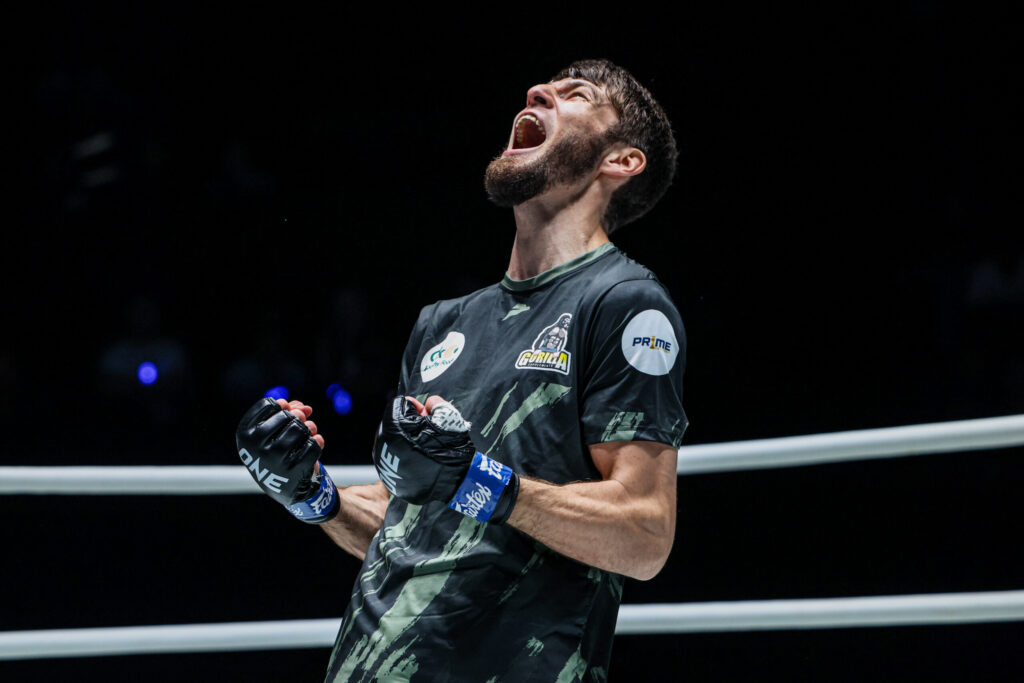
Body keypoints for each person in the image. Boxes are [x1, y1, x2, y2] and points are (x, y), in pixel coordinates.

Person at [236, 58, 688, 682]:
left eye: (576, 94)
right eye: (543, 86)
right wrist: (314, 494)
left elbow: (645, 534)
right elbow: (410, 524)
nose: (537, 90)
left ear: (621, 161)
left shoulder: (624, 303)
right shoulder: (442, 322)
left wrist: (482, 481)